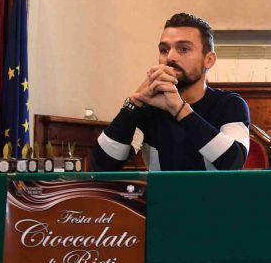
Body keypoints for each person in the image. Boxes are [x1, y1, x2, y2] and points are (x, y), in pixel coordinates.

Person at [91, 12, 250, 171]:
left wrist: (179, 109)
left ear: (209, 60)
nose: (170, 57)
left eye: (183, 49)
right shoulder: (148, 109)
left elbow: (233, 162)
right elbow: (102, 166)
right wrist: (134, 103)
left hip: (214, 189)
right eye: (164, 50)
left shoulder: (230, 104)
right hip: (160, 189)